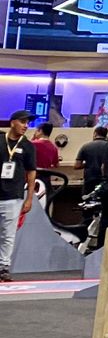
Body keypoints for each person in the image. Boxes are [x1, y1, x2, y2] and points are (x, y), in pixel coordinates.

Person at [0, 117, 37, 283]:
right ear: (12, 123)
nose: (26, 126)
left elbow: (31, 172)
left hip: (13, 196)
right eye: (23, 122)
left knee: (8, 234)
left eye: (27, 123)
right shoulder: (1, 140)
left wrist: (29, 198)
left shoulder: (28, 146)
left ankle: (3, 267)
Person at [77, 125, 108, 196]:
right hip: (106, 180)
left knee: (87, 199)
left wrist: (88, 163)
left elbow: (77, 165)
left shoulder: (86, 146)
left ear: (95, 133)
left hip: (90, 179)